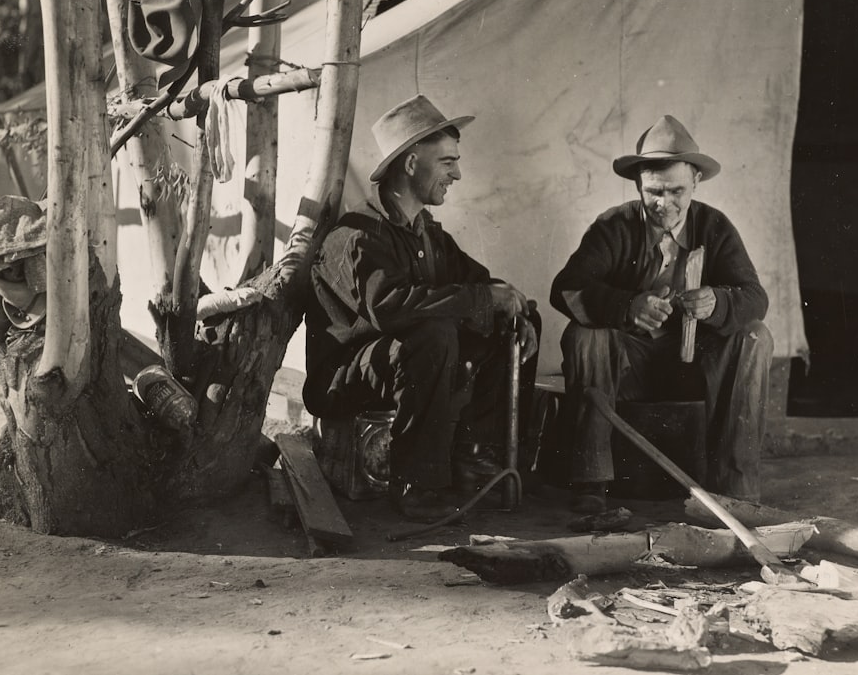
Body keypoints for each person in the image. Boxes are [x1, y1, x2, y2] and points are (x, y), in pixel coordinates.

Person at [303, 94, 539, 523]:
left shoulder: (426, 232)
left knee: (511, 318)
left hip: (398, 362)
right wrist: (485, 298)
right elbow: (389, 310)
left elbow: (479, 282)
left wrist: (512, 307)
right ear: (411, 164)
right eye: (447, 162)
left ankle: (473, 456)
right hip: (342, 377)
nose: (458, 174)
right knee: (434, 332)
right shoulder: (359, 234)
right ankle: (416, 484)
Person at [549, 115, 773, 513]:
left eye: (676, 192)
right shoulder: (613, 225)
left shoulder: (715, 226)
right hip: (630, 363)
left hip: (695, 367)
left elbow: (755, 297)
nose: (664, 204)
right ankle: (591, 481)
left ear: (695, 183)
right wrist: (626, 307)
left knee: (755, 336)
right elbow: (566, 288)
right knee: (584, 334)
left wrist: (717, 302)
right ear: (638, 184)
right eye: (653, 191)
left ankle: (735, 488)